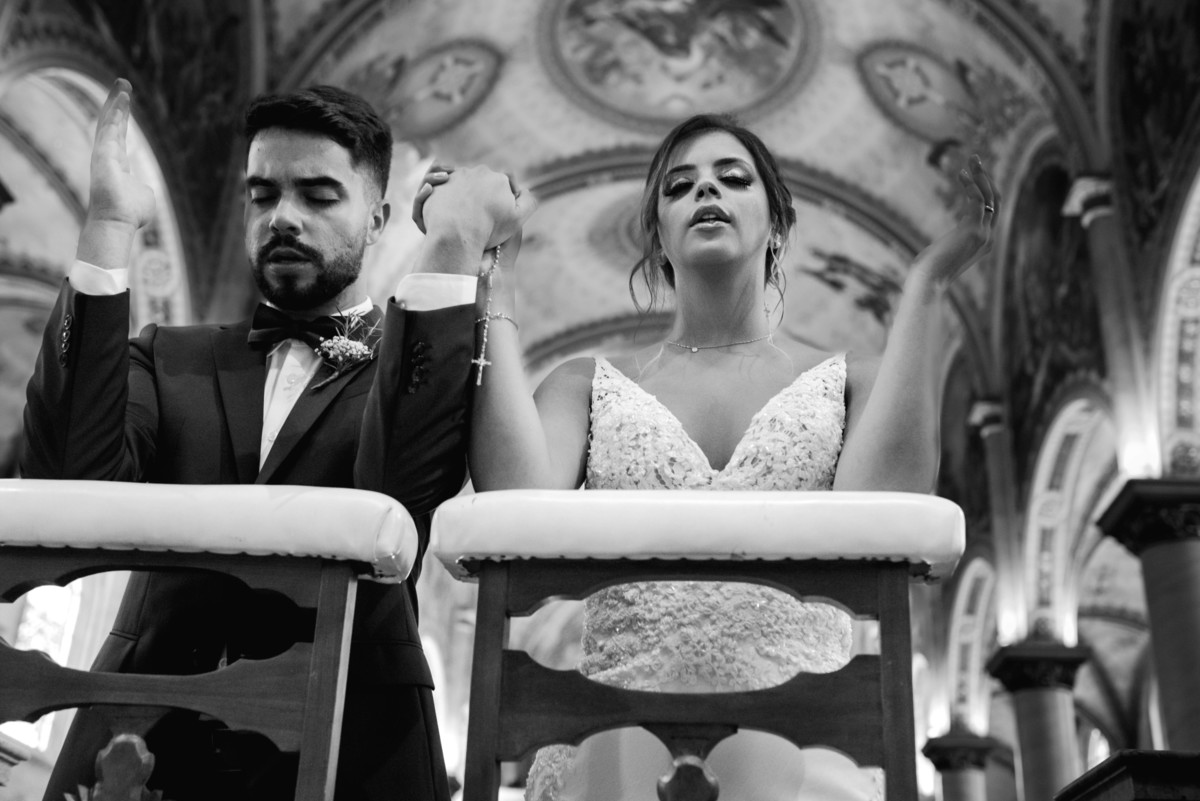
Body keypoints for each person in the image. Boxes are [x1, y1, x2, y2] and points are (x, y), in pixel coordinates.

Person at [420, 113, 996, 799]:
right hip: (616, 740)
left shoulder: (852, 382)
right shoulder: (585, 384)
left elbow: (888, 513)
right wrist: (498, 280)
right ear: (658, 236)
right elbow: (511, 501)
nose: (706, 191)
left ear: (776, 223)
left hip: (805, 742)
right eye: (679, 186)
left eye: (733, 178)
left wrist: (929, 280)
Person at [21, 79, 527, 801]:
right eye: (263, 195)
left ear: (377, 219)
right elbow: (68, 476)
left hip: (355, 734)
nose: (283, 216)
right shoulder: (170, 355)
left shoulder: (420, 368)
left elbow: (396, 494)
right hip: (146, 729)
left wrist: (450, 243)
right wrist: (108, 226)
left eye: (318, 196)